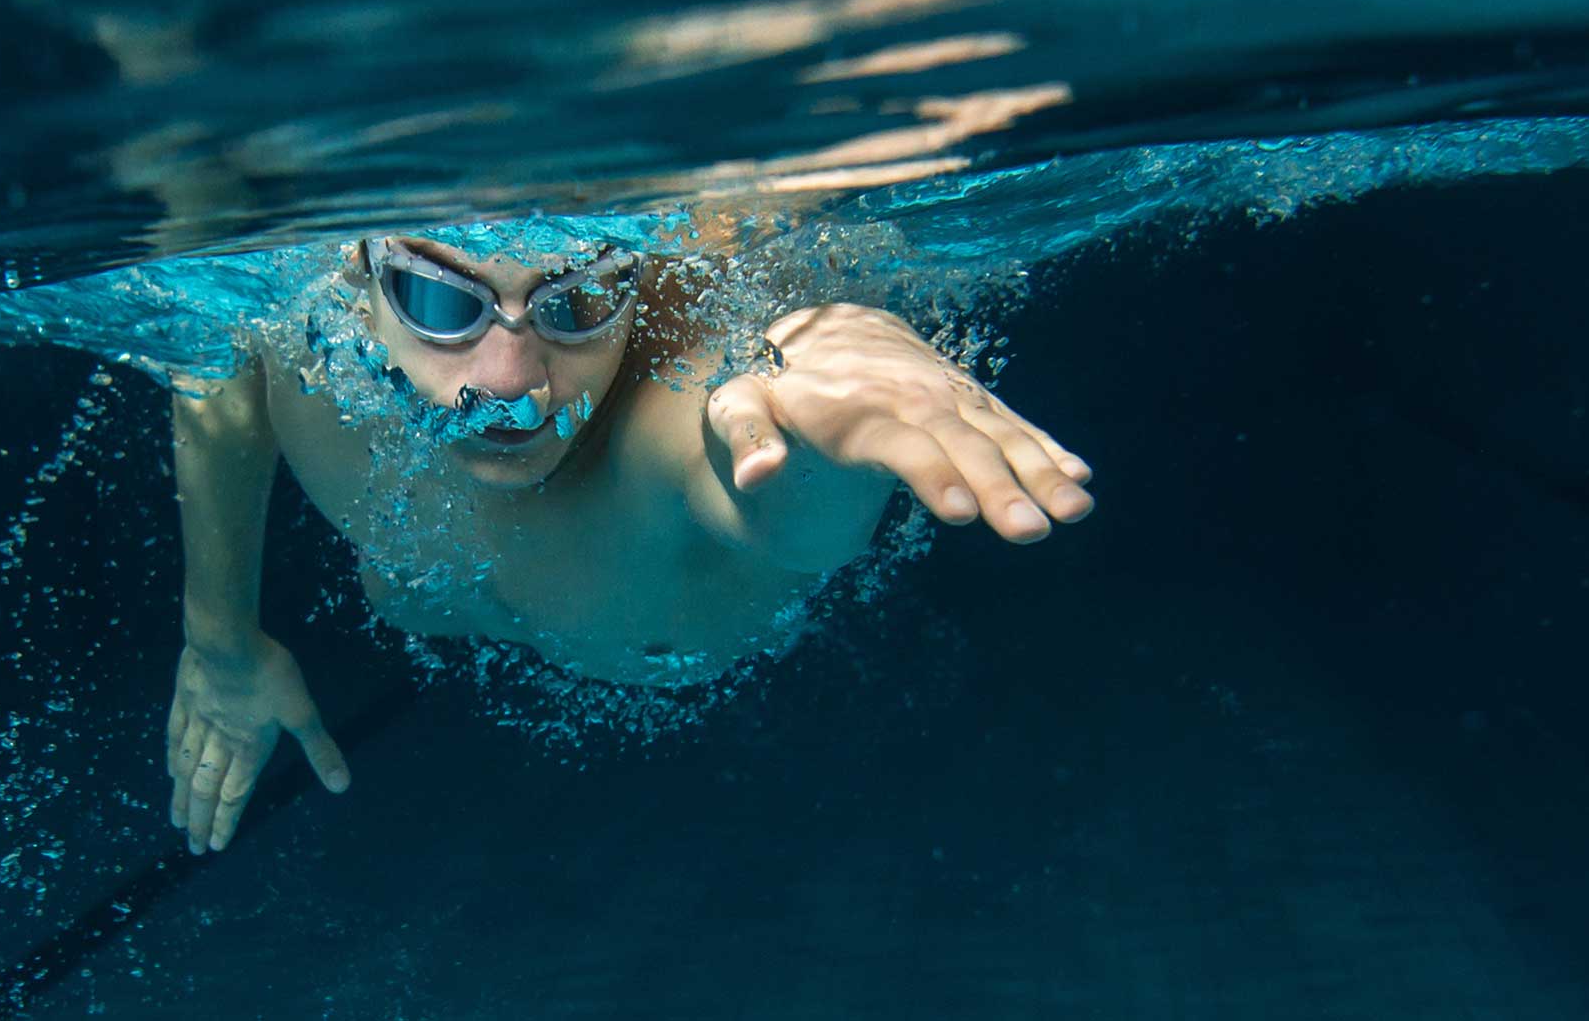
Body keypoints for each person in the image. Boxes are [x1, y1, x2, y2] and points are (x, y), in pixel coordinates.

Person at [164, 231, 1094, 855]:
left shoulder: (664, 418)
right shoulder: (297, 333)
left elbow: (766, 488)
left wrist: (831, 425)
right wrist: (221, 639)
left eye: (576, 305)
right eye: (444, 304)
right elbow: (220, 376)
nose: (513, 385)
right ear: (356, 280)